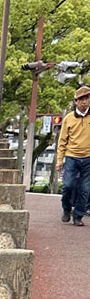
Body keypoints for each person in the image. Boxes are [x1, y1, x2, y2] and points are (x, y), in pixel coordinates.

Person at [56, 85, 90, 225]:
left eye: (87, 98)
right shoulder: (69, 118)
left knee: (85, 188)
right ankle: (66, 208)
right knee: (68, 185)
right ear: (75, 101)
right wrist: (60, 159)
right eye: (81, 99)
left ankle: (78, 216)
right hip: (71, 156)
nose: (84, 102)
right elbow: (62, 140)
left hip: (88, 157)